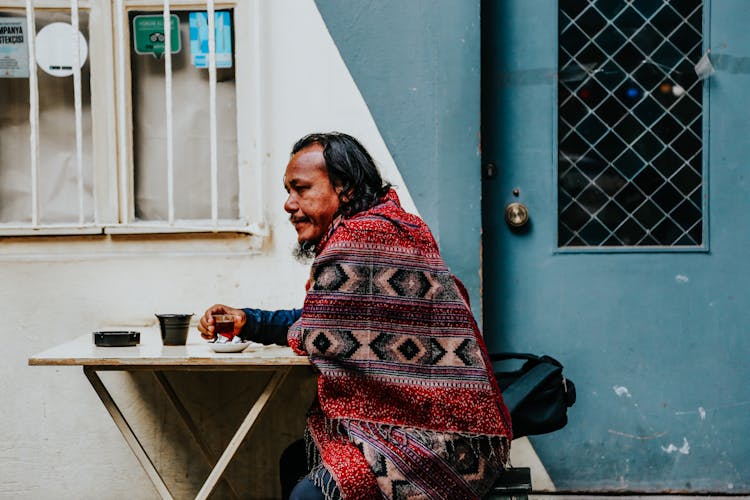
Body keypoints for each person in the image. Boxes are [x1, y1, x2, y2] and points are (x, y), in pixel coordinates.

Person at [198, 132, 512, 499]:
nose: (288, 204)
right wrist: (247, 320)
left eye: (301, 189)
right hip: (431, 430)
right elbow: (329, 321)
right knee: (293, 461)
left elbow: (318, 329)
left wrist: (256, 323)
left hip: (435, 443)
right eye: (288, 190)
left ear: (344, 188)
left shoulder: (361, 237)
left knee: (308, 494)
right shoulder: (392, 225)